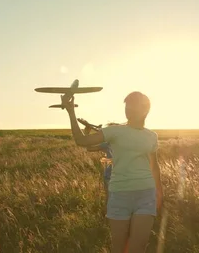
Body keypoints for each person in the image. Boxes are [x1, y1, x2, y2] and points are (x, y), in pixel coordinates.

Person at [62, 91, 163, 253]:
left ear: (145, 109)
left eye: (133, 106)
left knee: (138, 247)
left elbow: (154, 166)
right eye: (127, 107)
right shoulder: (114, 131)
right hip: (119, 195)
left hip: (146, 195)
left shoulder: (151, 136)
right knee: (119, 248)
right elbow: (81, 141)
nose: (128, 110)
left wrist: (159, 193)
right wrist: (71, 111)